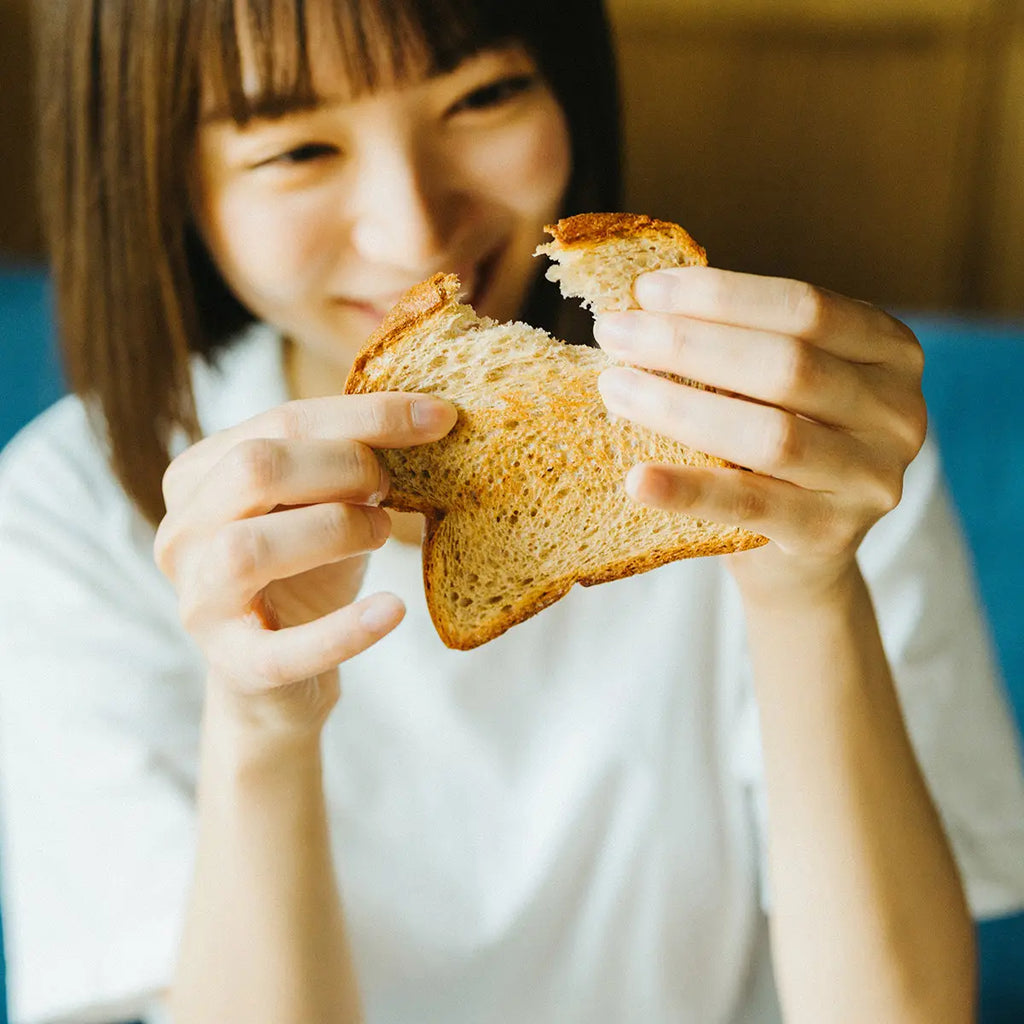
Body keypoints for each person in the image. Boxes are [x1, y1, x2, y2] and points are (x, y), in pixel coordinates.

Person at [1, 0, 1023, 1021]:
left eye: (483, 94)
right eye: (298, 148)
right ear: (159, 174)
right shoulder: (70, 514)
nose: (414, 229)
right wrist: (262, 722)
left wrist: (808, 590)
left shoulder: (808, 439)